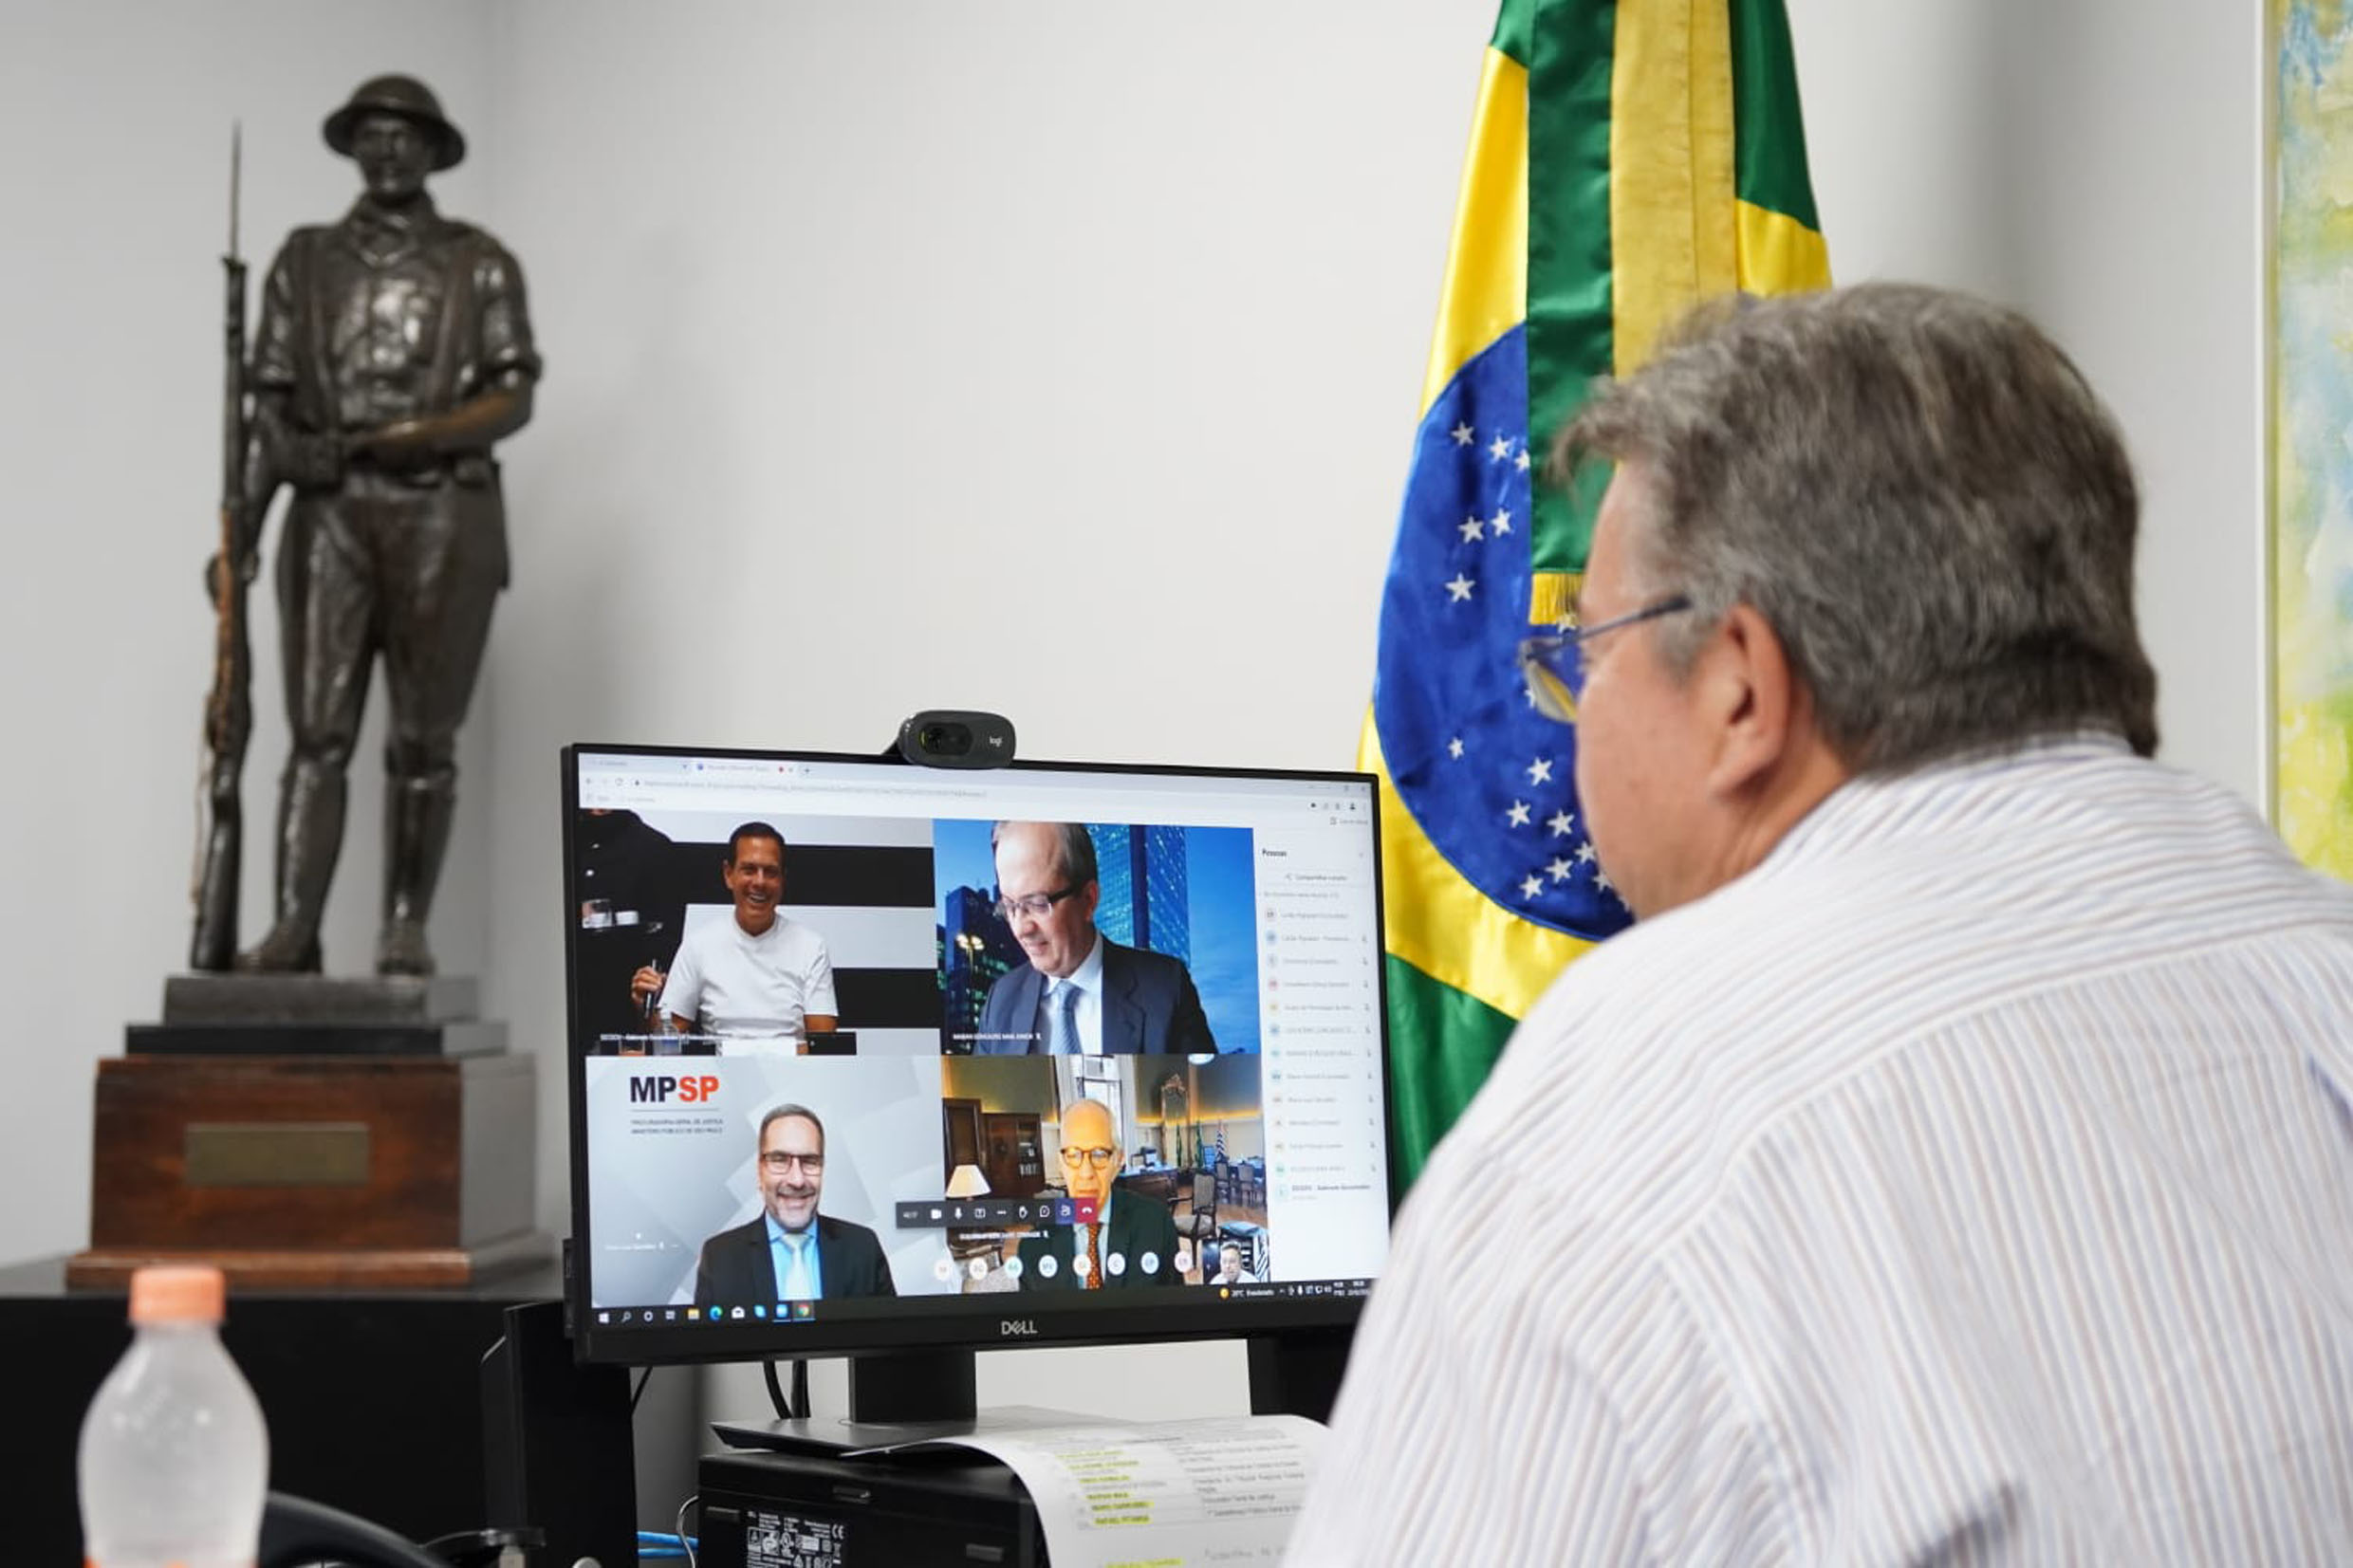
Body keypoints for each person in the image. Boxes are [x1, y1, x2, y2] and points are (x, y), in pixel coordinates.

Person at [1290, 285, 2353, 1563]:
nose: (1569, 721)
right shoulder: (2320, 957)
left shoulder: (1647, 1086)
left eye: (1583, 653)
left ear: (1742, 684)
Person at [231, 75, 540, 976]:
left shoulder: (477, 261)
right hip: (328, 515)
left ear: (433, 148)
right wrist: (242, 532)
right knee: (316, 731)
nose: (388, 149)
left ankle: (405, 922)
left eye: (405, 134)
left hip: (442, 511)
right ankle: (294, 925)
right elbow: (270, 408)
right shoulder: (305, 259)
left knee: (422, 736)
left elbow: (514, 395)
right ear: (354, 144)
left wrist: (421, 436)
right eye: (372, 133)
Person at [974, 821, 1214, 1055]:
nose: (1020, 928)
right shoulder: (1000, 999)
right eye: (1009, 906)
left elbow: (1203, 1090)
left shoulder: (1166, 987)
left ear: (1089, 900)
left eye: (1037, 904)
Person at [633, 823, 837, 1045]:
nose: (759, 882)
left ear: (782, 880)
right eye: (749, 870)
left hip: (793, 1076)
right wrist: (644, 1008)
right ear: (728, 875)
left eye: (770, 872)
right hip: (720, 1077)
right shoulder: (699, 945)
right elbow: (667, 1042)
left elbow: (824, 1046)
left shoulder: (811, 946)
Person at [694, 1104, 895, 1307]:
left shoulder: (863, 1247)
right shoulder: (720, 1257)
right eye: (779, 1160)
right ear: (760, 1171)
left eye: (810, 1161)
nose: (797, 1180)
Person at [1015, 1097, 1179, 1290]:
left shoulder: (1157, 1224)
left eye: (1099, 1154)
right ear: (1061, 1163)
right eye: (1073, 1155)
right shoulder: (1031, 1249)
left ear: (1118, 1160)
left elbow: (1173, 1313)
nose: (1086, 1173)